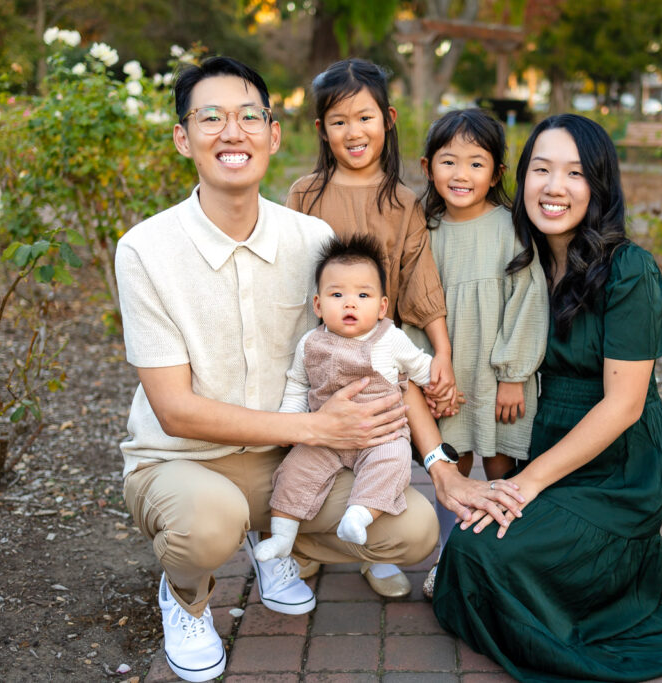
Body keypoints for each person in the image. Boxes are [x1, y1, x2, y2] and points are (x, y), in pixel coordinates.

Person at [114, 56, 476, 682]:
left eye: (249, 116)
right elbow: (173, 408)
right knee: (207, 524)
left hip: (278, 459)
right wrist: (319, 429)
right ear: (183, 137)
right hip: (180, 458)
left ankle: (275, 542)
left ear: (274, 135)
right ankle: (186, 598)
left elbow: (376, 349)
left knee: (412, 531)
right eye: (211, 118)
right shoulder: (145, 249)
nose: (233, 131)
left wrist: (437, 462)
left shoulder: (310, 239)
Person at [431, 114, 662, 682]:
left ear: (600, 186)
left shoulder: (628, 270)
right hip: (541, 446)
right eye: (542, 169)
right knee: (470, 549)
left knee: (485, 555)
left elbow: (625, 405)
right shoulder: (515, 253)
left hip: (616, 470)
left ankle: (624, 575)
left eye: (575, 174)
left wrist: (525, 483)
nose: (554, 187)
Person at [285, 57, 456, 596]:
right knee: (308, 457)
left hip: (377, 361)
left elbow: (421, 288)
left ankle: (372, 547)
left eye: (364, 118)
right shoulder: (304, 194)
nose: (353, 132)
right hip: (318, 355)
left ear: (388, 118)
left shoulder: (402, 203)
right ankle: (302, 545)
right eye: (338, 121)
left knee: (381, 452)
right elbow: (290, 278)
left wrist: (442, 357)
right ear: (321, 130)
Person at [410, 109, 548, 599]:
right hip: (448, 375)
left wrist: (513, 374)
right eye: (449, 162)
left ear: (496, 173)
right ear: (428, 168)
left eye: (475, 163)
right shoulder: (423, 230)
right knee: (453, 464)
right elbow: (414, 306)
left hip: (498, 374)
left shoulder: (511, 227)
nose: (461, 175)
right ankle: (452, 556)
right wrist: (426, 376)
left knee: (502, 465)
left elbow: (528, 301)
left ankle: (503, 554)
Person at [254, 234, 435, 561]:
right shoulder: (310, 343)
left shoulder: (390, 339)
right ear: (318, 305)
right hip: (324, 436)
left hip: (381, 436)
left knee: (394, 463)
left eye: (363, 295)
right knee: (295, 472)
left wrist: (439, 384)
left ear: (382, 307)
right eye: (337, 294)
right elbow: (297, 383)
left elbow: (420, 365)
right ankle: (282, 536)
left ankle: (359, 516)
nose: (350, 303)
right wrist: (291, 423)